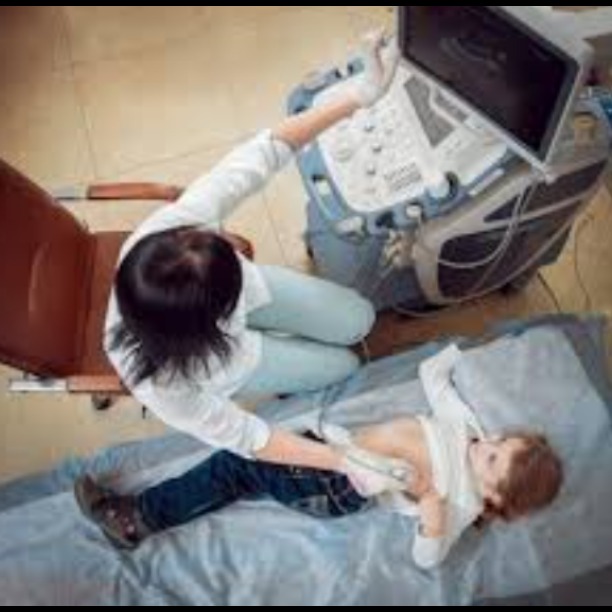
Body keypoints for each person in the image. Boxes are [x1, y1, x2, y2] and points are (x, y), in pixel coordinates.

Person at [105, 32, 399, 473]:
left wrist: (358, 96)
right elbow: (247, 436)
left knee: (360, 318)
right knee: (344, 367)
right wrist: (344, 461)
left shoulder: (168, 233)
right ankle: (299, 359)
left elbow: (261, 155)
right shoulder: (161, 385)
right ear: (209, 323)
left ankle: (305, 340)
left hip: (235, 310)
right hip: (235, 360)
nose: (225, 240)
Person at [75, 345, 563, 569]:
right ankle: (145, 514)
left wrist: (431, 518)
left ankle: (136, 519)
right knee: (247, 465)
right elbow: (435, 378)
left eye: (493, 460)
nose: (487, 445)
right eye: (500, 441)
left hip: (336, 488)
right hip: (333, 450)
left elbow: (428, 560)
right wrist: (464, 353)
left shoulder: (459, 503)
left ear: (494, 496)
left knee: (235, 464)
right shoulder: (469, 431)